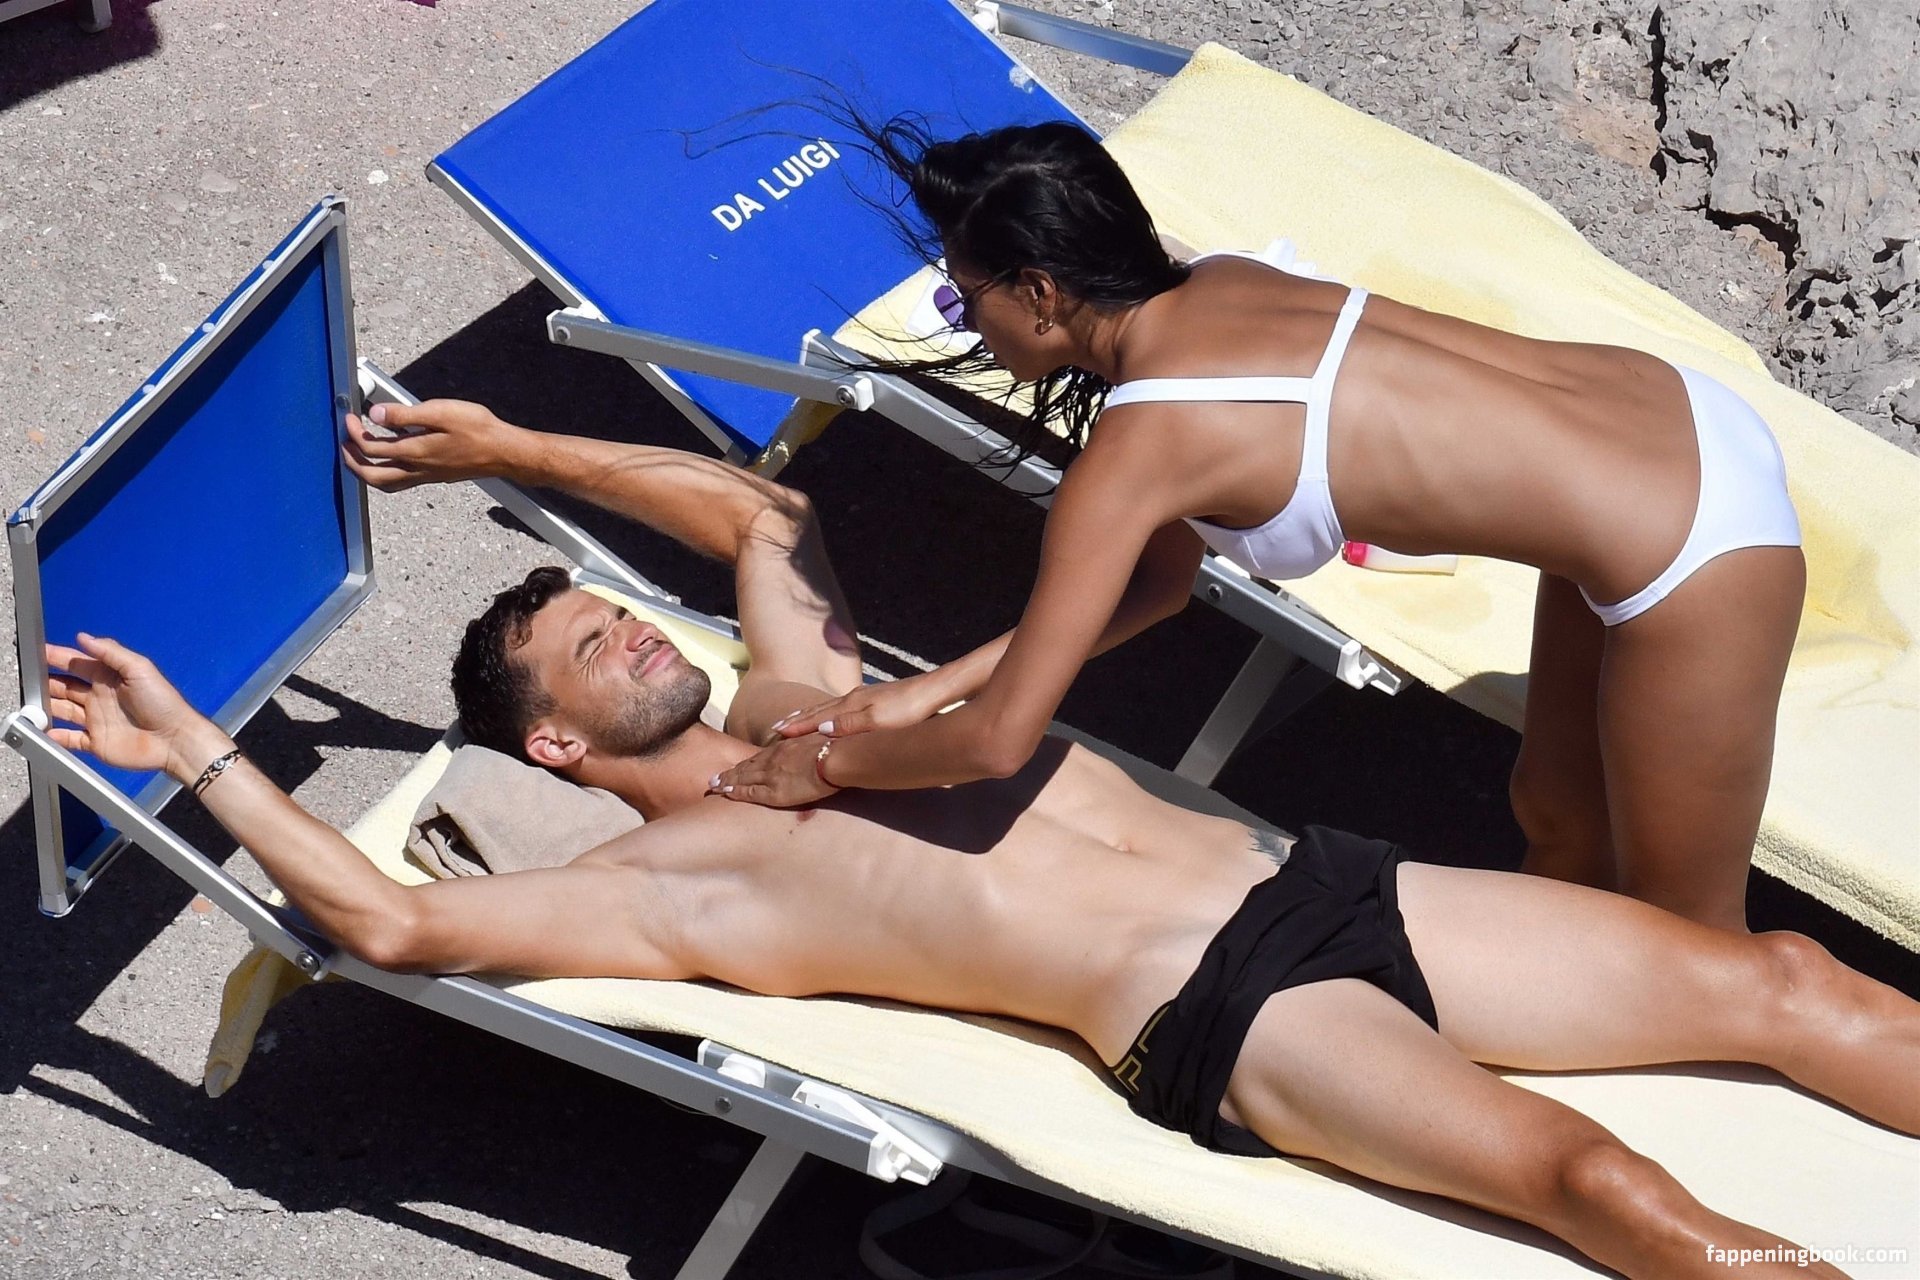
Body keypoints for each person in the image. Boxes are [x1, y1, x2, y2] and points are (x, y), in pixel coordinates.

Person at [45, 400, 1909, 1280]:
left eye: (616, 613)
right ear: (552, 744)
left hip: (1324, 884)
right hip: (1225, 1011)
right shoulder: (658, 889)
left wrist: (512, 453)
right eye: (590, 650)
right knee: (1594, 1187)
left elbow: (762, 521)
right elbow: (389, 927)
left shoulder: (807, 702)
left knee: (1783, 981)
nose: (636, 636)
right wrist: (189, 743)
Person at [720, 120, 1805, 933]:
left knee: (1692, 940)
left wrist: (826, 770)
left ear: (1041, 293)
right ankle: (1573, 1014)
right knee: (1557, 810)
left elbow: (999, 742)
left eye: (967, 299)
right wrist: (916, 693)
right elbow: (1153, 587)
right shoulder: (1225, 280)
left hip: (1694, 541)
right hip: (1660, 418)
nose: (970, 324)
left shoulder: (1138, 451)